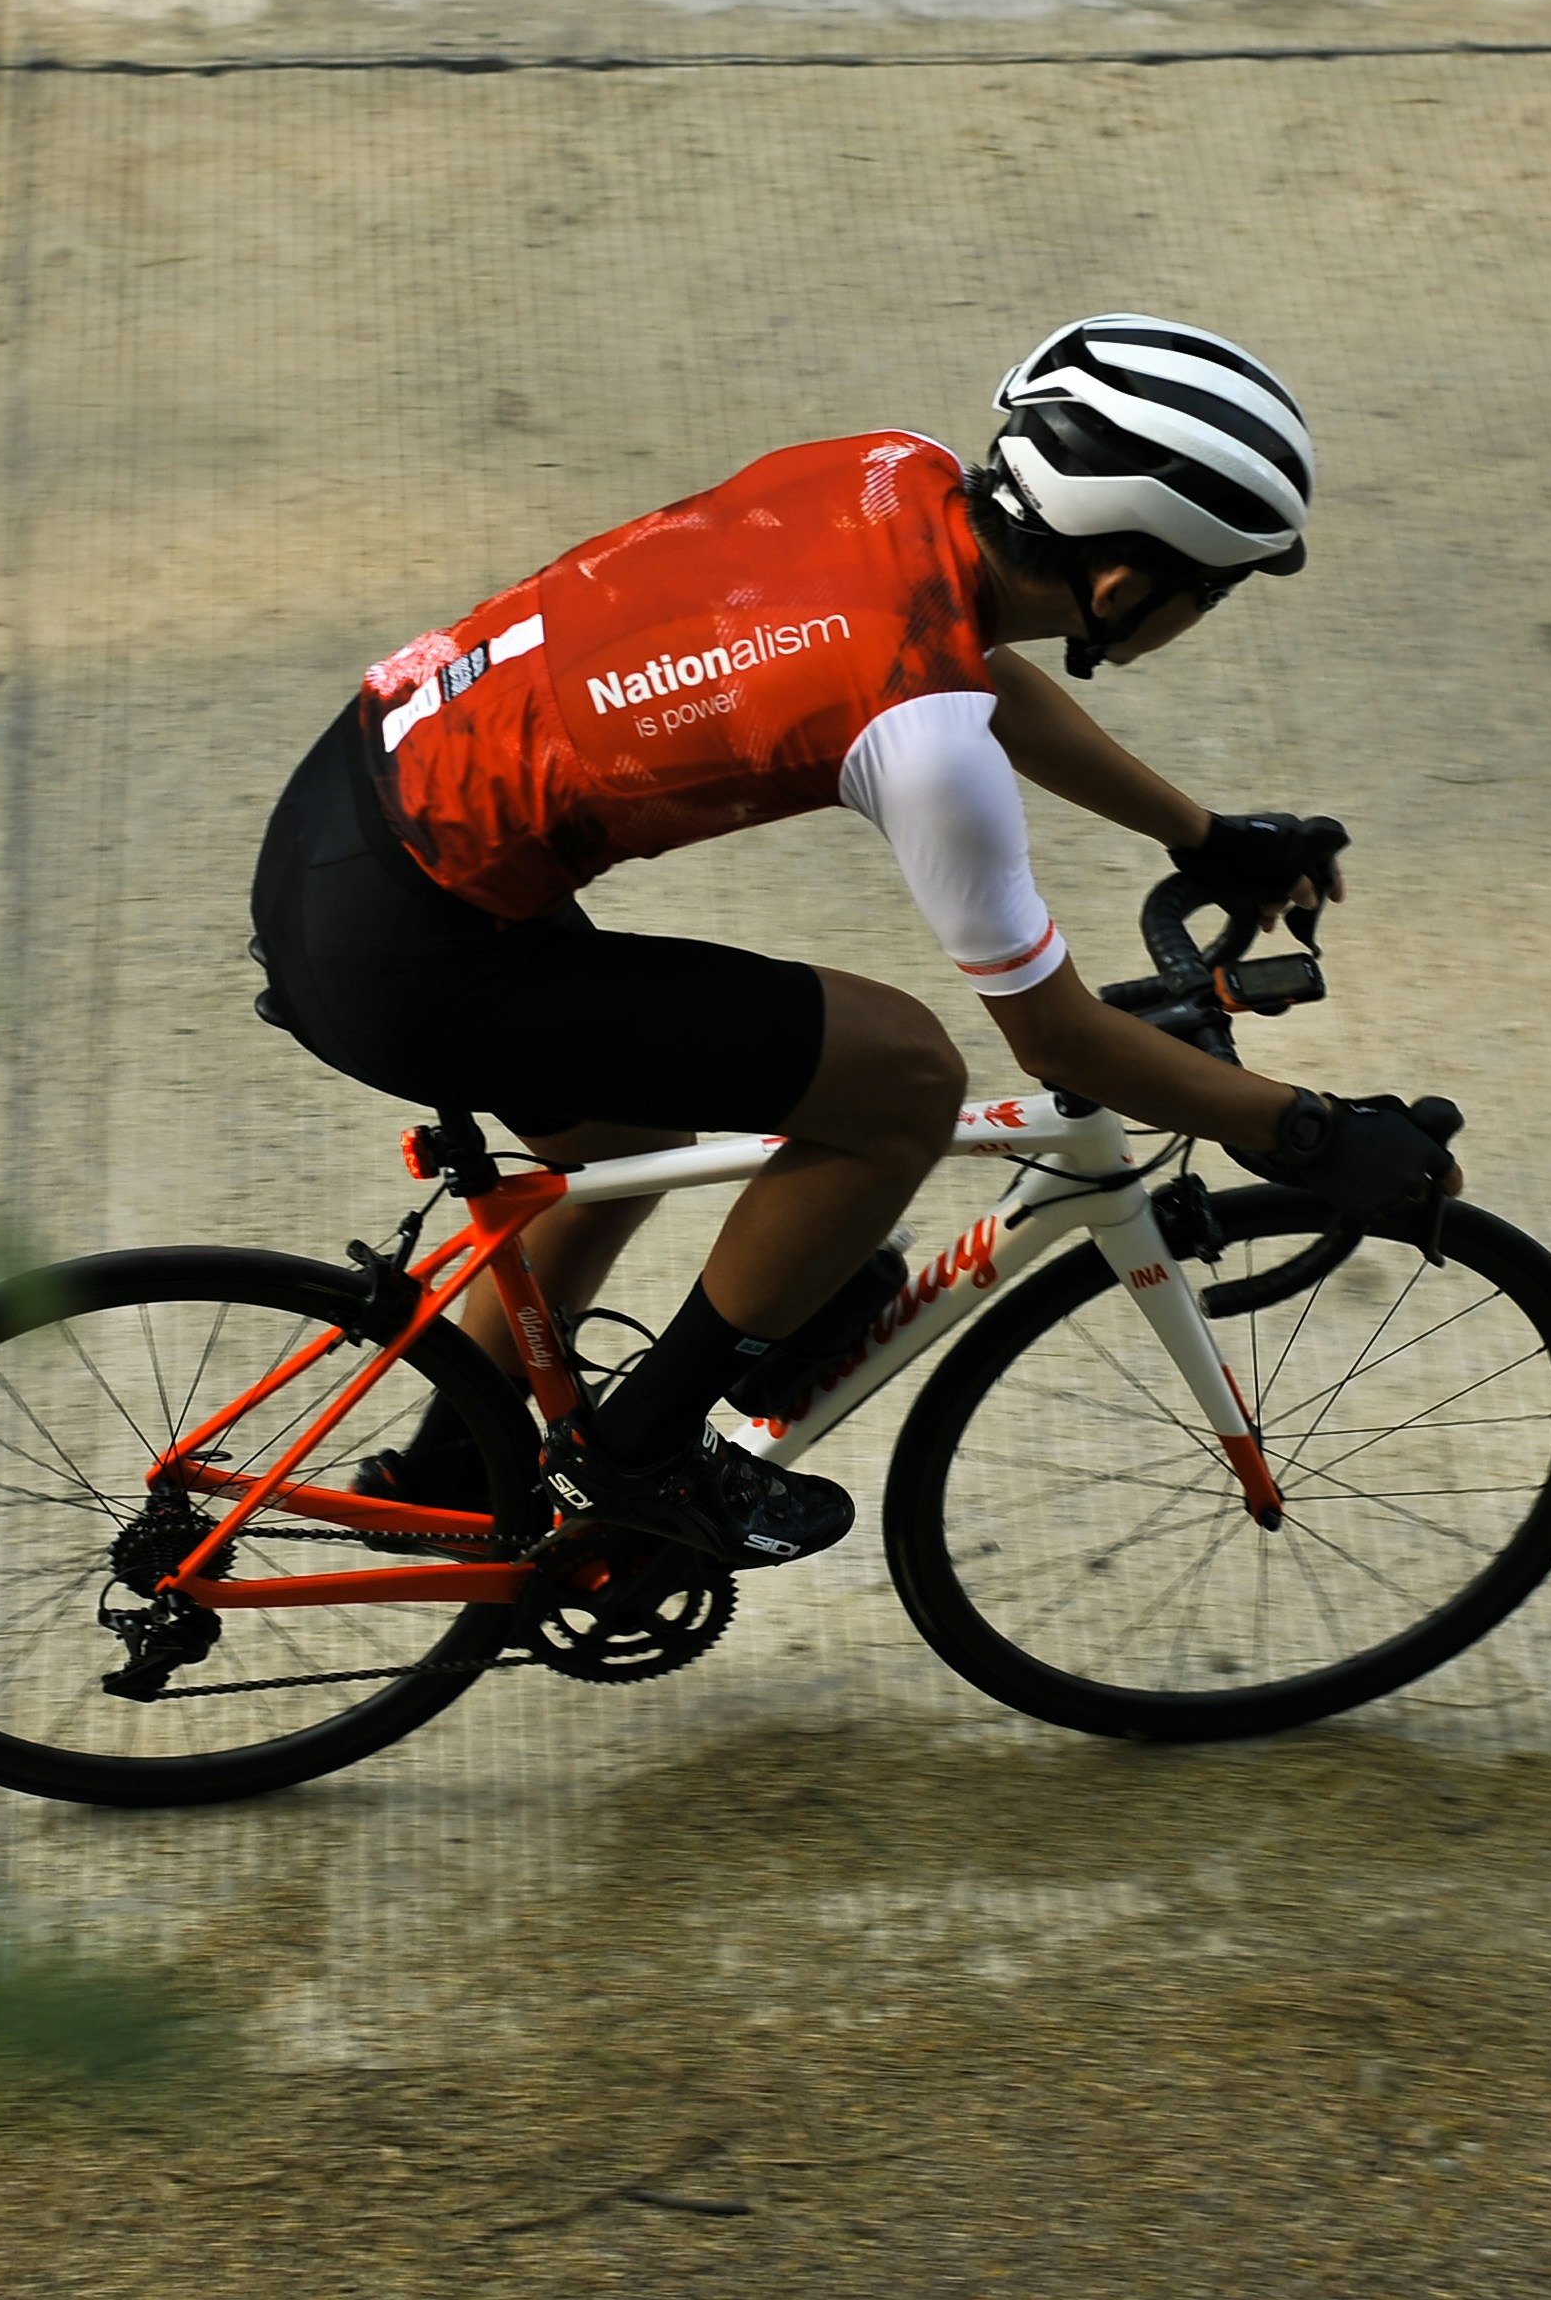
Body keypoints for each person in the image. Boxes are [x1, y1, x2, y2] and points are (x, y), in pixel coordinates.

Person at [245, 314, 1458, 1569]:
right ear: (1121, 584)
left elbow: (973, 663)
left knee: (622, 1136)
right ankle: (643, 1453)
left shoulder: (896, 472)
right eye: (1211, 592)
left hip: (361, 812)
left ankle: (459, 1466)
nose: (1202, 616)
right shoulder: (921, 742)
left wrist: (1199, 834)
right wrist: (1303, 1129)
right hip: (412, 946)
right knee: (903, 1079)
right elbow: (1054, 1037)